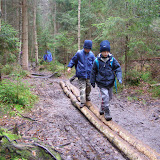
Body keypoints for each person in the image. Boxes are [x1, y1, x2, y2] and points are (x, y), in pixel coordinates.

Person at [90, 40, 122, 121]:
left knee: (109, 97)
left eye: (107, 51)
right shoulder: (97, 61)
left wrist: (119, 77)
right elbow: (93, 71)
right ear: (101, 51)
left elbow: (118, 68)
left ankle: (102, 107)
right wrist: (92, 81)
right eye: (104, 52)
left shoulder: (112, 60)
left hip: (110, 82)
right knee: (105, 96)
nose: (105, 53)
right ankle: (107, 112)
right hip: (101, 83)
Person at [67, 40, 95, 108]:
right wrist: (70, 67)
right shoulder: (79, 53)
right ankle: (82, 101)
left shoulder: (91, 54)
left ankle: (87, 95)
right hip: (81, 74)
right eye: (86, 48)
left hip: (89, 75)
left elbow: (95, 63)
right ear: (84, 47)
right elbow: (73, 60)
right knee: (82, 88)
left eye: (89, 49)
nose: (87, 50)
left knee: (88, 87)